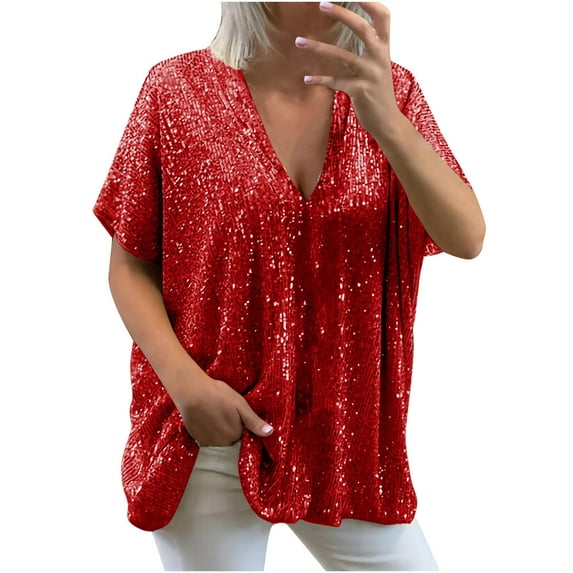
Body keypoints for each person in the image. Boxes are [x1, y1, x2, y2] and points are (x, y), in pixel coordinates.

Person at [93, 1, 485, 570]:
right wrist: (188, 388)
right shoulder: (176, 91)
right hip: (212, 437)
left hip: (348, 446)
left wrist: (386, 121)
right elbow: (130, 266)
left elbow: (467, 237)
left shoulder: (391, 92)